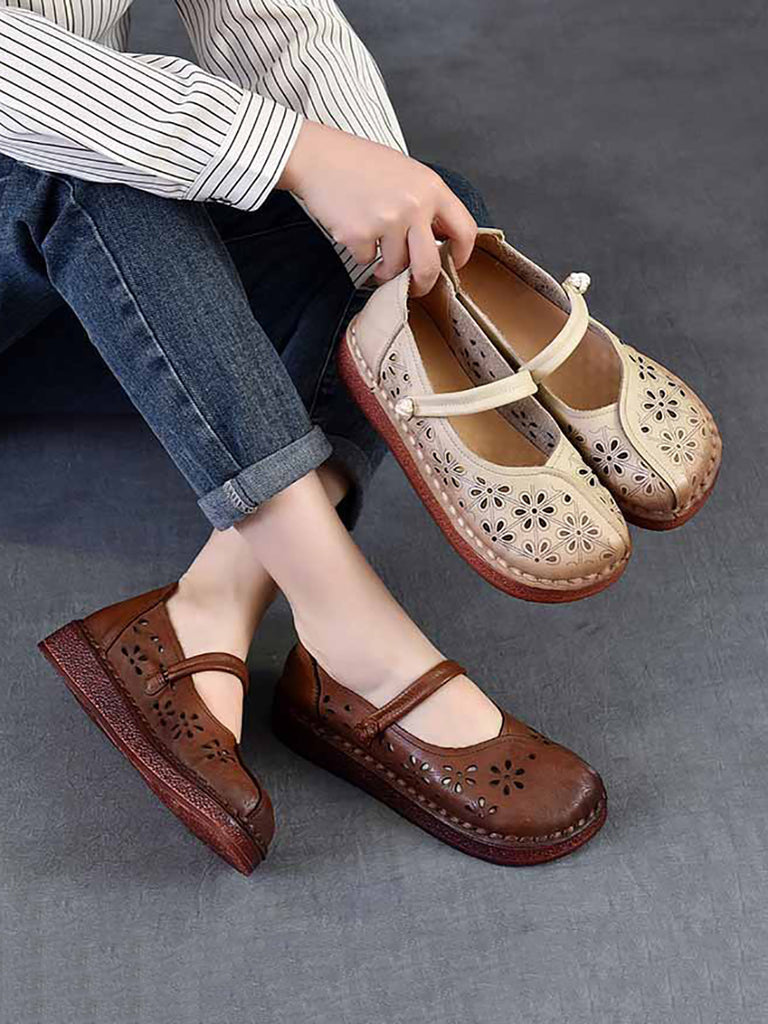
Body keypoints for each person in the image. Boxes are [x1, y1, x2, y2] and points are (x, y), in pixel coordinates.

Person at [2, 2, 608, 872]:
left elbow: (272, 21)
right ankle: (357, 636)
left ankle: (213, 603)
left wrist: (372, 198)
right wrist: (298, 153)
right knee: (81, 164)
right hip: (52, 195)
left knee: (424, 222)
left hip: (66, 266)